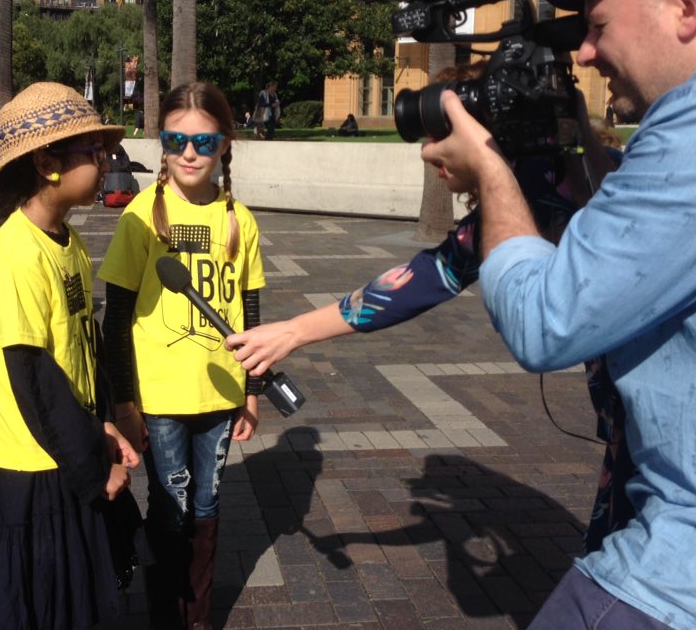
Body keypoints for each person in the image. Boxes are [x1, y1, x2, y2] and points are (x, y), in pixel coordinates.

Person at [419, 0, 696, 630]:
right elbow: (675, 233)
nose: (584, 53)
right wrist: (591, 160)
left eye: (599, 25)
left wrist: (490, 172)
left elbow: (547, 320)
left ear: (685, 5)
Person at [227, 61, 630, 555]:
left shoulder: (541, 191)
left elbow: (419, 283)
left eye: (442, 134)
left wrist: (291, 333)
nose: (428, 153)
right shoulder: (575, 173)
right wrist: (290, 332)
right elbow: (419, 279)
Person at [0, 82, 141, 630]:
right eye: (95, 152)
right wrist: (91, 468)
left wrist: (105, 422)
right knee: (29, 603)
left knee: (65, 601)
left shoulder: (68, 242)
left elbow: (85, 344)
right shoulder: (14, 254)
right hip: (27, 470)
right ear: (48, 163)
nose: (107, 162)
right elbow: (31, 376)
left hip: (66, 450)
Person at [99, 81, 266, 630]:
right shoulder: (142, 213)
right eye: (177, 140)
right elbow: (117, 317)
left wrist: (250, 392)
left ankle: (197, 618)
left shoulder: (240, 218)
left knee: (208, 509)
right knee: (169, 509)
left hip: (219, 394)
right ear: (163, 144)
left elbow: (250, 309)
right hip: (160, 398)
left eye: (203, 140)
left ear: (225, 143)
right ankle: (165, 614)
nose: (190, 152)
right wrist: (123, 402)